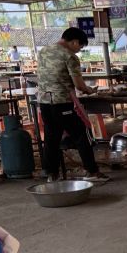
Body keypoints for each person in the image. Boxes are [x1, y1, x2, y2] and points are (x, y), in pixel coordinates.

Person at [37, 27, 109, 182]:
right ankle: (92, 171)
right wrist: (90, 90)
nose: (78, 50)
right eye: (80, 47)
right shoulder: (70, 56)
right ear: (74, 42)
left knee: (51, 137)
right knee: (82, 135)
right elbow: (79, 85)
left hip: (44, 102)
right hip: (61, 102)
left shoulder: (43, 51)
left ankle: (51, 174)